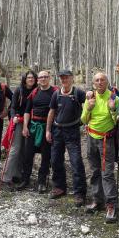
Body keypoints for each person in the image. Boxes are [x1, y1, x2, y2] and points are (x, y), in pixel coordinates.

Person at [81, 72, 119, 222]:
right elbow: (83, 120)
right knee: (94, 170)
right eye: (97, 80)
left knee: (107, 173)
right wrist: (88, 108)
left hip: (106, 140)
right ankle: (98, 200)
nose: (100, 82)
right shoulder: (90, 97)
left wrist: (112, 109)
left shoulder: (113, 98)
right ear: (93, 83)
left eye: (102, 80)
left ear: (107, 82)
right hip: (91, 138)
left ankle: (111, 205)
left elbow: (117, 122)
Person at [46, 70, 87, 206]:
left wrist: (86, 122)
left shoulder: (78, 93)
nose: (64, 80)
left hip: (72, 131)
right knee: (56, 159)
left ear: (72, 78)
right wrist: (48, 130)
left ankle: (79, 193)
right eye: (62, 78)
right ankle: (59, 187)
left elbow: (88, 107)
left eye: (66, 77)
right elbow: (51, 112)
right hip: (57, 130)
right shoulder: (56, 94)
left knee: (76, 162)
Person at [16, 70, 57, 192]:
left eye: (45, 77)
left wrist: (51, 129)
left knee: (46, 156)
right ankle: (25, 179)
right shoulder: (34, 92)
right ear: (38, 80)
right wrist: (25, 127)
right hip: (33, 126)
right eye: (41, 77)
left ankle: (41, 182)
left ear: (49, 78)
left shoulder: (55, 92)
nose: (43, 79)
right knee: (28, 154)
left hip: (47, 128)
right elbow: (27, 111)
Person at [1, 70, 38, 185]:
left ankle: (18, 174)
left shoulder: (37, 90)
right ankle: (6, 176)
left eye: (33, 78)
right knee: (15, 148)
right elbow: (13, 106)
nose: (31, 79)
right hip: (19, 121)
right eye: (29, 78)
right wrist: (13, 117)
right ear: (25, 79)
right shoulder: (19, 90)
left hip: (33, 122)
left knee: (25, 150)